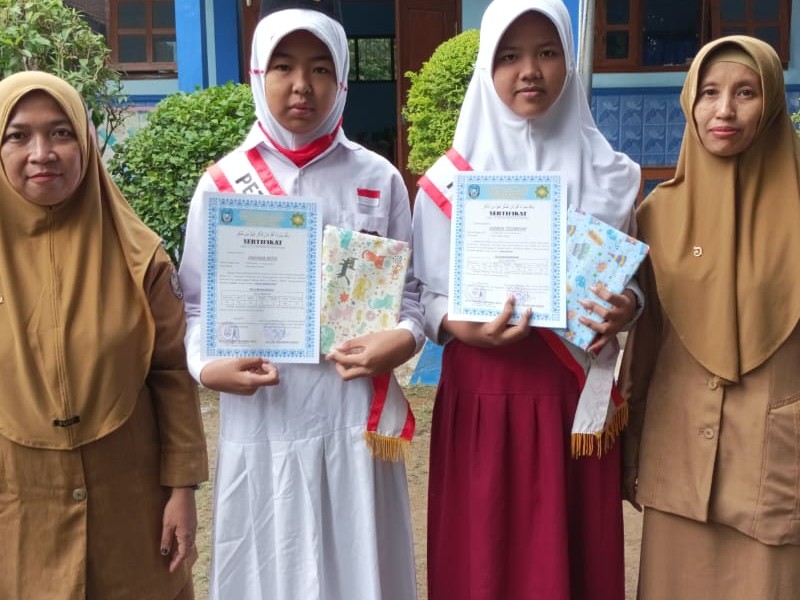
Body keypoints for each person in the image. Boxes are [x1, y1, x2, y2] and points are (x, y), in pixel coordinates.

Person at [178, 1, 425, 598]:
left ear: (341, 79)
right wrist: (206, 366)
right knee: (270, 565)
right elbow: (194, 306)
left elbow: (412, 296)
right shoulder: (222, 186)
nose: (301, 85)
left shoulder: (379, 178)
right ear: (258, 74)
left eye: (320, 68)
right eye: (283, 66)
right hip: (264, 416)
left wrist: (403, 339)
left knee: (357, 565)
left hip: (350, 418)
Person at [411, 0, 642, 598]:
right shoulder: (446, 183)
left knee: (572, 560)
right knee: (485, 557)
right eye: (509, 56)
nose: (529, 71)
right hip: (484, 397)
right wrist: (457, 325)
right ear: (487, 67)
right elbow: (423, 294)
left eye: (547, 52)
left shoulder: (613, 175)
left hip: (571, 396)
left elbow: (632, 281)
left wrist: (629, 306)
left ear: (569, 61)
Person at [0, 71, 208, 599]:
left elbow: (172, 376)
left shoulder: (140, 258)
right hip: (18, 507)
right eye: (18, 135)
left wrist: (182, 488)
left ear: (88, 143)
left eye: (61, 132)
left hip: (131, 510)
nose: (42, 153)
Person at [620, 35, 800, 599]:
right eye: (709, 92)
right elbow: (646, 341)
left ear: (771, 103)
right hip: (680, 458)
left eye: (746, 93)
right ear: (689, 103)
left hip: (773, 461)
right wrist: (629, 443)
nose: (724, 110)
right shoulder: (657, 215)